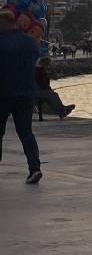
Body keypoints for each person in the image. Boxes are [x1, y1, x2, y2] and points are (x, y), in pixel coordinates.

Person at [0, 23, 44, 184]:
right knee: (26, 133)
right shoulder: (30, 43)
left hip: (3, 94)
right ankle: (35, 168)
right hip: (26, 95)